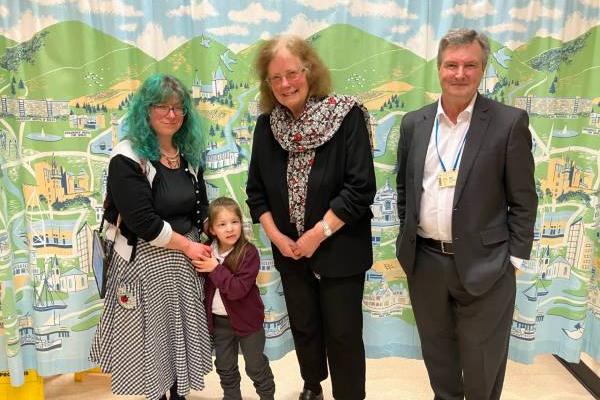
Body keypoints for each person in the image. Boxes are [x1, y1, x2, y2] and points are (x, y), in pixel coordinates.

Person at [395, 28, 538, 400]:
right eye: (451, 65)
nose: (459, 74)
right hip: (426, 264)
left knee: (481, 365)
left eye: (469, 65)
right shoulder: (414, 123)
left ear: (483, 69)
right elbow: (405, 189)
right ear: (439, 68)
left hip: (487, 265)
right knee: (438, 360)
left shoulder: (508, 123)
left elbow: (524, 199)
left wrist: (514, 260)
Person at [246, 35, 376, 400]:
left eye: (292, 73)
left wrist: (316, 234)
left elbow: (360, 188)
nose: (285, 84)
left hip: (340, 247)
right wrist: (278, 239)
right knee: (304, 327)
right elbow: (256, 193)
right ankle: (312, 385)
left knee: (343, 334)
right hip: (290, 252)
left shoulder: (346, 115)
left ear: (310, 71)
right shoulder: (266, 126)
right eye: (276, 77)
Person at [89, 73, 213, 400]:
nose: (171, 114)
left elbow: (200, 205)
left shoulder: (188, 153)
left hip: (182, 267)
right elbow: (143, 222)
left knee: (178, 345)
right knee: (152, 349)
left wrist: (212, 230)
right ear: (146, 110)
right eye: (162, 106)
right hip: (144, 266)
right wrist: (188, 246)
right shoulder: (127, 156)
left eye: (178, 107)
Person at [193, 197, 275, 400]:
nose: (230, 229)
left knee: (255, 366)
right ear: (212, 229)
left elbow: (237, 290)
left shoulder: (249, 253)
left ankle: (267, 396)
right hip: (219, 323)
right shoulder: (206, 250)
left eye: (234, 222)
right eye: (222, 224)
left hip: (249, 322)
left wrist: (215, 268)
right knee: (224, 366)